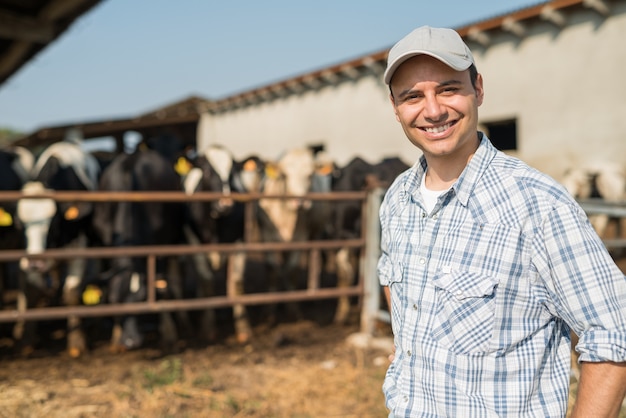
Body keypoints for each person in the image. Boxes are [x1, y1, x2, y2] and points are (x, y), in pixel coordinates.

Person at [377, 25, 626, 417]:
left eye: (448, 89)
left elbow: (614, 330)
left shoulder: (536, 203)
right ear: (395, 108)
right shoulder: (397, 199)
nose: (434, 110)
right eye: (413, 97)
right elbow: (393, 280)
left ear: (478, 88)